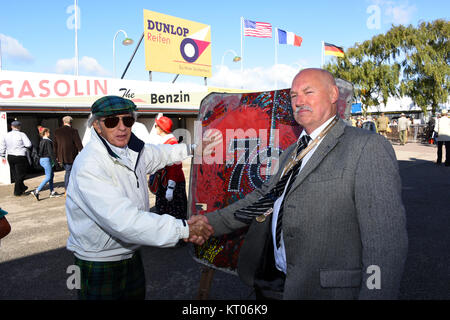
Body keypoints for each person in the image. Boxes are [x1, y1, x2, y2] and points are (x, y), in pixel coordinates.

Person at [201, 68, 408, 300]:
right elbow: (263, 199)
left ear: (332, 95)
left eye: (308, 92)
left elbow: (384, 244)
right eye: (293, 96)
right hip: (277, 284)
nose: (299, 101)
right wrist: (208, 222)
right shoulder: (292, 151)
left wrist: (376, 295)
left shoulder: (367, 147)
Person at [65, 95, 212, 300]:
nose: (122, 127)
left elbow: (160, 155)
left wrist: (193, 149)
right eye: (111, 121)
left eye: (127, 120)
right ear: (97, 126)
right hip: (98, 262)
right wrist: (184, 228)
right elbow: (124, 221)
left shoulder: (131, 150)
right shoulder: (90, 164)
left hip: (131, 254)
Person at [153, 116, 188, 221]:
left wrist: (171, 188)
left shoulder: (171, 143)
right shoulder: (167, 141)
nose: (155, 128)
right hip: (167, 181)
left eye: (156, 126)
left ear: (161, 128)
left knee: (172, 213)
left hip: (171, 183)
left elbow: (175, 166)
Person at [0, 120, 32, 196]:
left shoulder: (6, 135)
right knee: (21, 174)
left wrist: (3, 155)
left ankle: (22, 188)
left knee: (15, 174)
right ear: (19, 126)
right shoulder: (22, 134)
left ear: (11, 127)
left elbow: (2, 146)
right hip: (20, 156)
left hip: (10, 156)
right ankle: (17, 192)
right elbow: (28, 144)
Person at [30, 128, 62, 201]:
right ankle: (36, 191)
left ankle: (52, 192)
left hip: (42, 159)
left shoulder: (41, 141)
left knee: (51, 175)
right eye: (49, 132)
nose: (50, 133)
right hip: (46, 159)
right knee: (48, 176)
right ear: (46, 132)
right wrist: (56, 163)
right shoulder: (47, 141)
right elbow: (51, 153)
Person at [54, 116, 83, 193]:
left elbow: (55, 145)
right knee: (69, 172)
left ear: (63, 122)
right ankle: (68, 189)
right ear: (71, 122)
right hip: (71, 156)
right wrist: (83, 153)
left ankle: (68, 188)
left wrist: (56, 156)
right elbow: (78, 143)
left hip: (61, 156)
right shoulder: (73, 131)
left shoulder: (57, 131)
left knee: (68, 171)